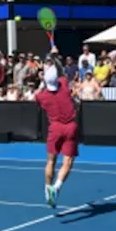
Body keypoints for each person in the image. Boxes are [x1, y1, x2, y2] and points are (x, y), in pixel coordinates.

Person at [35, 62, 79, 209]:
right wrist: (55, 56)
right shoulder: (64, 86)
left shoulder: (41, 97)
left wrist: (43, 80)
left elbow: (41, 90)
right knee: (68, 162)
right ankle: (57, 187)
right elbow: (61, 73)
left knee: (50, 161)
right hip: (70, 128)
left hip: (55, 129)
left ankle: (48, 189)